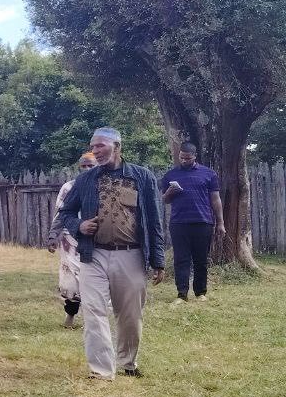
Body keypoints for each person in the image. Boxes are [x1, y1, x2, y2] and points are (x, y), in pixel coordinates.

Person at [57, 126, 165, 379]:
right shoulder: (86, 180)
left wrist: (158, 260)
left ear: (117, 147)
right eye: (93, 146)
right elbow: (66, 213)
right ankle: (101, 371)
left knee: (130, 315)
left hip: (131, 254)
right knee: (93, 311)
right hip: (93, 255)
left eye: (100, 146)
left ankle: (128, 362)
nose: (95, 151)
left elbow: (154, 221)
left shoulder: (142, 177)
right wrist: (80, 225)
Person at [160, 142, 225, 305]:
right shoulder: (170, 175)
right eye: (181, 157)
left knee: (201, 259)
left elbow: (215, 199)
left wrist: (220, 223)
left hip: (203, 222)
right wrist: (169, 192)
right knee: (181, 259)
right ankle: (181, 294)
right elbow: (165, 200)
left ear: (195, 156)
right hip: (179, 223)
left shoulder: (209, 174)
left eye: (187, 158)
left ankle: (200, 293)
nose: (184, 160)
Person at [46, 152, 98, 327]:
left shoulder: (104, 187)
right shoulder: (68, 187)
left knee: (93, 280)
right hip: (70, 239)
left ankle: (92, 320)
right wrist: (53, 236)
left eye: (91, 165)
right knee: (71, 281)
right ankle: (70, 317)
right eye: (84, 166)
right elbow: (61, 213)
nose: (87, 169)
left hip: (96, 239)